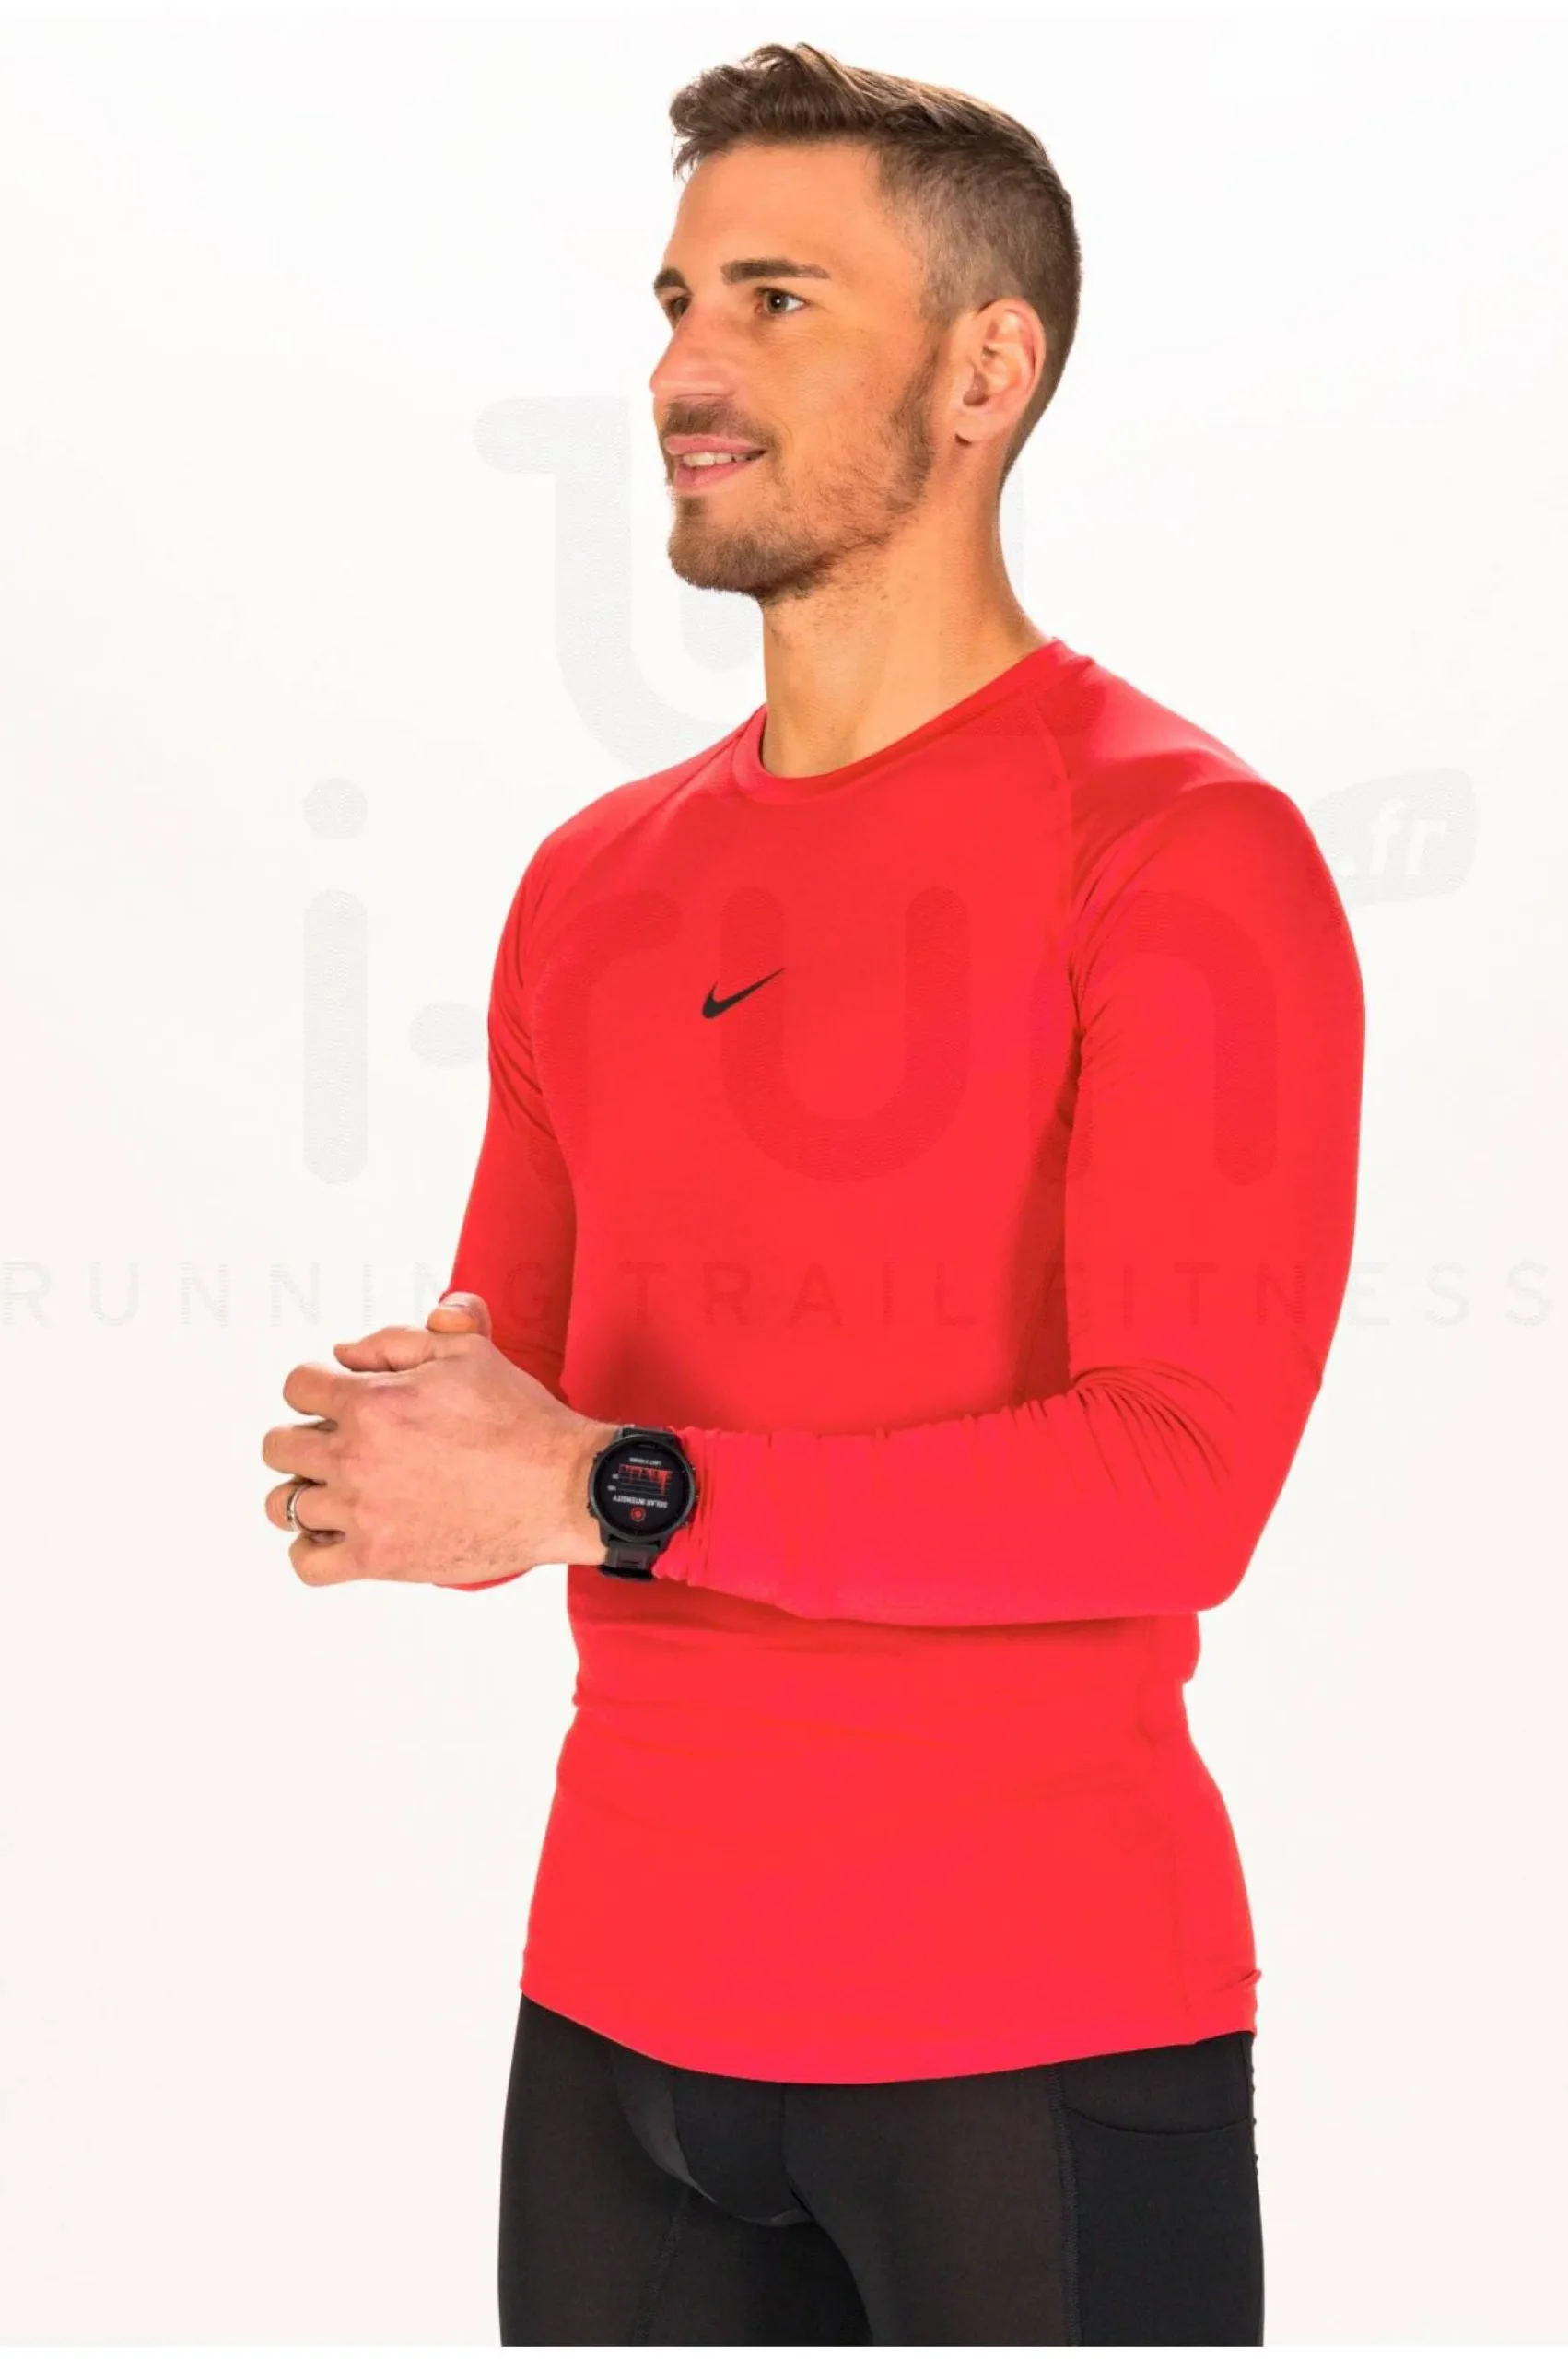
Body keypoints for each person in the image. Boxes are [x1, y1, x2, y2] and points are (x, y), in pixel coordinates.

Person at [261, 41, 1363, 2344]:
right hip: (614, 2022)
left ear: (983, 370)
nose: (685, 369)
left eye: (775, 300)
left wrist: (597, 1483)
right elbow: (525, 1400)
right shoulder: (592, 881)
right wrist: (415, 1463)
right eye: (675, 301)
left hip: (1030, 2028)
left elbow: (1176, 1483)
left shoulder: (1179, 851)